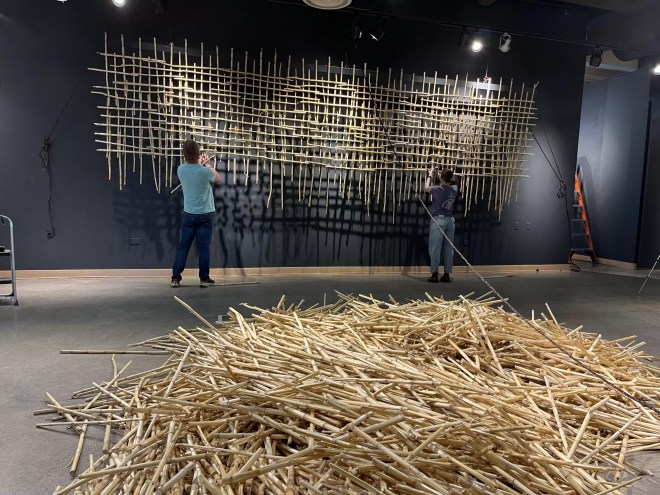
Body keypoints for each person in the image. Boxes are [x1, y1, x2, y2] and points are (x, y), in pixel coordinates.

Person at [171, 139, 221, 288]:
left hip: (189, 214)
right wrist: (207, 164)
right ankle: (204, 279)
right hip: (206, 214)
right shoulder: (205, 171)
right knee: (204, 247)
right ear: (198, 153)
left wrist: (198, 163)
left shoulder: (181, 169)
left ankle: (175, 278)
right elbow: (218, 179)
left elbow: (192, 170)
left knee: (183, 246)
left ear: (184, 154)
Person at [425, 166, 458, 283]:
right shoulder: (454, 189)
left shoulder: (438, 189)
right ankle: (446, 275)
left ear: (442, 179)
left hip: (439, 220)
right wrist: (440, 175)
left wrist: (430, 175)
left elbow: (426, 188)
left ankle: (434, 274)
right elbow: (450, 181)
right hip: (450, 221)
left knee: (435, 248)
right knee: (448, 249)